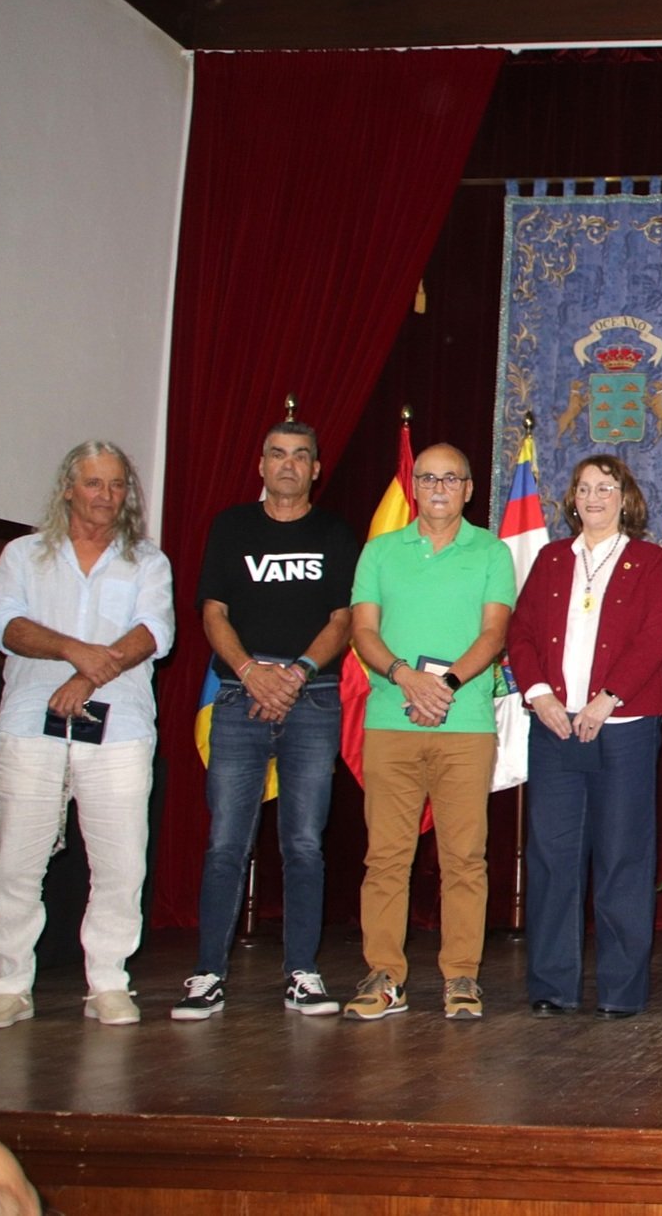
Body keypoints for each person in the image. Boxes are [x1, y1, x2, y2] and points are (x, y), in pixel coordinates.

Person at [174, 421, 362, 1022]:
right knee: (226, 842)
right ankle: (207, 973)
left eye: (300, 456)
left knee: (304, 843)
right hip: (237, 696)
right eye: (277, 455)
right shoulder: (231, 527)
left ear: (315, 469)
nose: (287, 465)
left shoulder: (335, 532)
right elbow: (212, 612)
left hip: (312, 698)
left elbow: (344, 618)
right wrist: (253, 672)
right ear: (261, 465)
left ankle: (302, 972)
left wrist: (297, 672)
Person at [0, 442, 172, 1031]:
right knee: (17, 861)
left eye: (116, 486)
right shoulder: (22, 555)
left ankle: (109, 981)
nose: (105, 496)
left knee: (120, 864)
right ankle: (11, 982)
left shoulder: (147, 560)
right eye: (93, 484)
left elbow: (154, 632)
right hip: (28, 728)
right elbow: (4, 625)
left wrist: (90, 678)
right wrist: (75, 654)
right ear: (68, 487)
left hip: (120, 732)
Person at [342, 443, 516, 1022]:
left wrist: (442, 685)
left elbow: (494, 633)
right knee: (386, 856)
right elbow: (363, 631)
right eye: (428, 477)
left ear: (469, 489)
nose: (439, 487)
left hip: (465, 723)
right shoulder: (379, 552)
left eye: (451, 478)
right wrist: (405, 678)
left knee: (464, 856)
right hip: (391, 720)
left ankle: (461, 975)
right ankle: (385, 975)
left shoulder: (491, 551)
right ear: (414, 486)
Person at [505, 454, 662, 1018]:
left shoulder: (650, 561)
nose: (594, 497)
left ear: (626, 497)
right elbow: (521, 632)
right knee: (553, 858)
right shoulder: (553, 559)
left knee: (623, 857)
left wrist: (607, 699)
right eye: (584, 488)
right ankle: (553, 986)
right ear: (572, 499)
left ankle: (621, 992)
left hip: (623, 728)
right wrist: (540, 695)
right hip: (555, 728)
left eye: (606, 487)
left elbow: (655, 637)